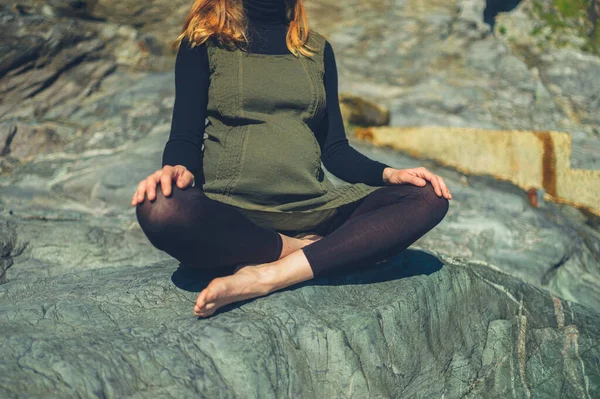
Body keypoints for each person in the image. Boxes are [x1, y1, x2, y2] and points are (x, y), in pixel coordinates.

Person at [132, 0, 451, 318]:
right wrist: (175, 170)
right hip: (231, 215)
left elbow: (335, 150)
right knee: (159, 207)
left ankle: (270, 274)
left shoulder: (316, 49)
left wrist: (390, 174)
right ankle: (310, 249)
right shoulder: (205, 41)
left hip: (314, 212)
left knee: (428, 197)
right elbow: (185, 138)